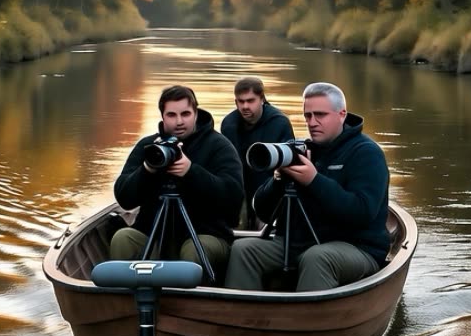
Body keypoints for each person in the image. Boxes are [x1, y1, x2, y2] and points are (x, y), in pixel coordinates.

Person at [223, 81, 389, 292]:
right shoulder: (303, 150)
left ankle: (307, 322)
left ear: (342, 114)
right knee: (243, 249)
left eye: (320, 115)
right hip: (299, 244)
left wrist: (314, 180)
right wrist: (278, 179)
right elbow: (263, 211)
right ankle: (238, 319)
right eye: (308, 116)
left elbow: (362, 212)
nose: (312, 122)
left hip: (356, 246)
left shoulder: (366, 153)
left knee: (317, 257)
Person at [108, 85, 243, 280]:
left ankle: (190, 307)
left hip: (205, 235)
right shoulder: (150, 147)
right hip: (153, 234)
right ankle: (129, 304)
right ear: (162, 116)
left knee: (193, 253)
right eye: (171, 115)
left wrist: (191, 172)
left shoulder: (218, 146)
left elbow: (233, 200)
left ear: (196, 113)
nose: (179, 121)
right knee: (123, 239)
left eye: (185, 114)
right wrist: (147, 170)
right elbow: (124, 198)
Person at [219, 76, 295, 229]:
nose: (245, 106)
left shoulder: (279, 123)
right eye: (241, 101)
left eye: (250, 100)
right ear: (235, 102)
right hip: (240, 192)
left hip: (269, 191)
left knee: (265, 227)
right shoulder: (229, 124)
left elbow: (288, 165)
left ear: (262, 99)